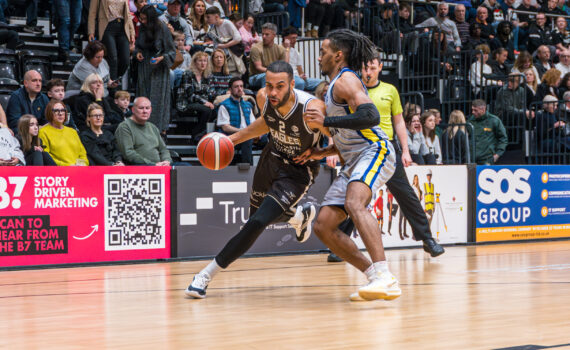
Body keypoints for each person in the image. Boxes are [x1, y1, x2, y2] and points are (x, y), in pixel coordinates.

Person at [185, 61, 329, 299]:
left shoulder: (312, 110)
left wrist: (321, 153)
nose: (273, 92)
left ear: (292, 85)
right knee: (258, 217)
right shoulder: (264, 98)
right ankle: (298, 216)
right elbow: (264, 124)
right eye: (269, 85)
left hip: (297, 170)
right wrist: (230, 141)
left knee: (256, 223)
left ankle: (204, 276)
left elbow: (343, 143)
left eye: (280, 86)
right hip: (271, 159)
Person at [299, 29, 402, 302]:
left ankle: (384, 274)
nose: (319, 57)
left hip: (375, 150)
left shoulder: (346, 80)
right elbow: (348, 137)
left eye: (322, 52)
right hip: (355, 158)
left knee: (355, 203)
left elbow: (369, 117)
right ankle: (375, 277)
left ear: (338, 55)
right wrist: (321, 152)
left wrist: (326, 124)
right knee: (323, 226)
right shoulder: (334, 86)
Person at [361, 52, 444, 255]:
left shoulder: (390, 90)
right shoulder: (355, 89)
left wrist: (405, 151)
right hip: (362, 148)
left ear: (380, 67)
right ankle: (340, 243)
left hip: (387, 149)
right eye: (365, 68)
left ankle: (427, 239)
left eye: (373, 67)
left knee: (406, 195)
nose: (368, 72)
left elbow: (398, 122)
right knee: (357, 197)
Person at [134, 5, 176, 133]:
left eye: (145, 19)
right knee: (143, 96)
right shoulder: (142, 27)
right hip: (145, 66)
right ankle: (142, 128)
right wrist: (138, 53)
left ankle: (160, 131)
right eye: (141, 18)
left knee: (158, 101)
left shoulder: (162, 28)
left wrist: (162, 58)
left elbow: (171, 51)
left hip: (159, 68)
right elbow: (138, 46)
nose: (143, 21)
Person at [89, 0, 135, 85]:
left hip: (122, 26)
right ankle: (113, 87)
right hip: (107, 26)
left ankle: (113, 80)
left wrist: (132, 32)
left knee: (125, 60)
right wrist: (91, 31)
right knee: (113, 58)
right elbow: (92, 12)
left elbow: (128, 14)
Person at [115, 97, 172, 165]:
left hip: (160, 167)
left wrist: (167, 161)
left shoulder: (152, 127)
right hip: (141, 168)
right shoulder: (125, 127)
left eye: (147, 108)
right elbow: (128, 153)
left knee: (185, 165)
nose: (145, 111)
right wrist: (152, 164)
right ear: (133, 110)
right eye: (141, 108)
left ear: (150, 110)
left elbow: (163, 149)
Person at [175, 51, 216, 143]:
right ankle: (196, 134)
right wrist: (205, 102)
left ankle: (203, 135)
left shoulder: (207, 76)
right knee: (207, 110)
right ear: (195, 62)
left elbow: (209, 93)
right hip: (185, 103)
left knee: (214, 110)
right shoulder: (188, 74)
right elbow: (189, 94)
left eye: (205, 61)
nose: (203, 63)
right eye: (200, 61)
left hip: (198, 103)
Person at [217, 77, 257, 164]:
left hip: (247, 134)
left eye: (241, 86)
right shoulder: (224, 105)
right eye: (236, 87)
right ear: (230, 89)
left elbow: (254, 123)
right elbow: (225, 127)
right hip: (232, 137)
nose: (239, 89)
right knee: (247, 138)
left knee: (267, 137)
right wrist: (243, 132)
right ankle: (247, 166)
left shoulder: (248, 105)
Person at [39, 100, 89, 166]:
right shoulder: (43, 132)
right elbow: (46, 157)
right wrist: (67, 166)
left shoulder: (72, 131)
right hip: (59, 172)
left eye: (63, 110)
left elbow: (82, 153)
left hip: (79, 170)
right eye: (56, 111)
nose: (60, 113)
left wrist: (83, 164)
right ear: (49, 113)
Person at [204, 6, 245, 77]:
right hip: (223, 57)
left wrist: (225, 45)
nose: (207, 19)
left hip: (232, 56)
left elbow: (238, 38)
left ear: (216, 16)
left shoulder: (227, 23)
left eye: (208, 17)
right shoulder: (213, 28)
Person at [282, 26, 323, 91]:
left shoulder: (296, 52)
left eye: (296, 38)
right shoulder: (279, 50)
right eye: (292, 38)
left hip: (298, 78)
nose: (295, 41)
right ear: (285, 38)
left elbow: (300, 71)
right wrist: (287, 48)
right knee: (300, 83)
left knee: (322, 83)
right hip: (288, 78)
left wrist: (302, 76)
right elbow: (284, 67)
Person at [469, 98, 508, 164]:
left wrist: (497, 154)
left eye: (475, 110)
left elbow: (503, 138)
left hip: (487, 159)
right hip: (472, 159)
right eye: (472, 110)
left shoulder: (494, 120)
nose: (473, 112)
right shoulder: (470, 121)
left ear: (483, 109)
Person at [249, 22, 287, 89]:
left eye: (267, 34)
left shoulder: (280, 49)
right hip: (256, 76)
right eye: (263, 34)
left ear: (274, 35)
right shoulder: (256, 48)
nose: (263, 37)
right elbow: (258, 67)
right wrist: (274, 72)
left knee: (299, 82)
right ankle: (266, 98)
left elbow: (283, 66)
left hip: (275, 75)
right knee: (267, 76)